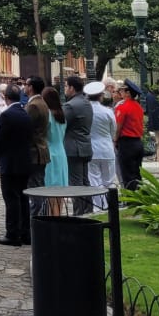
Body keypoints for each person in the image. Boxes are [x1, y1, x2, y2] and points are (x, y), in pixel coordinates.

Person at [0, 84, 31, 246]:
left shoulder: (7, 115)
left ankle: (13, 233)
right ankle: (26, 233)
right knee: (23, 198)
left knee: (11, 198)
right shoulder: (25, 113)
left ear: (6, 98)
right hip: (24, 161)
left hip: (10, 162)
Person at [62, 76, 93, 213]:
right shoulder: (87, 103)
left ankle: (79, 213)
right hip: (85, 146)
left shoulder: (70, 105)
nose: (64, 89)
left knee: (76, 184)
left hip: (73, 148)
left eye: (66, 86)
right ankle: (88, 210)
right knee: (85, 182)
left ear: (72, 88)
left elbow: (61, 125)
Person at [23, 76, 51, 213]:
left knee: (35, 189)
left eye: (26, 84)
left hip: (34, 151)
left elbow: (25, 127)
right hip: (39, 150)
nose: (24, 86)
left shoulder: (34, 105)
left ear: (31, 87)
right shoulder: (41, 102)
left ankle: (36, 219)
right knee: (38, 186)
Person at [87, 82, 117, 205]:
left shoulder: (86, 111)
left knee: (94, 181)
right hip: (107, 148)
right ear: (101, 96)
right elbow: (113, 130)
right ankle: (111, 207)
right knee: (109, 181)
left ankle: (99, 206)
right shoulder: (108, 112)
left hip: (92, 149)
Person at [114, 80, 146, 190]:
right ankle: (139, 197)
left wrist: (114, 140)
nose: (120, 93)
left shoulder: (122, 107)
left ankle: (131, 200)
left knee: (127, 174)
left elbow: (118, 127)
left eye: (122, 90)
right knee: (137, 173)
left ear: (128, 92)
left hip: (127, 143)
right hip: (138, 142)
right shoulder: (138, 106)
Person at [41, 87, 67, 215]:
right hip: (61, 152)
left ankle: (53, 218)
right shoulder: (61, 115)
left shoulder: (48, 115)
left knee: (51, 189)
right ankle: (58, 215)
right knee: (60, 191)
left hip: (50, 151)